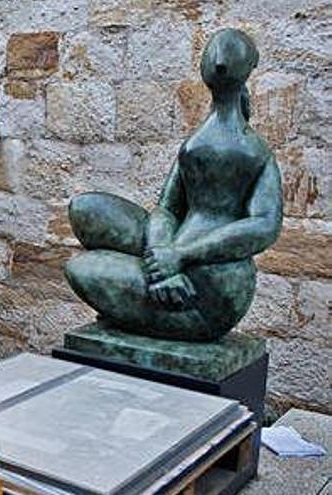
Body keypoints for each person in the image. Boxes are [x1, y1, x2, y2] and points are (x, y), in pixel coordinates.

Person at [64, 28, 283, 342]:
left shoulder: (255, 153)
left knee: (81, 268)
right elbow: (167, 208)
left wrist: (182, 256)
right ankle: (154, 277)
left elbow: (264, 225)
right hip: (174, 254)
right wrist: (162, 257)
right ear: (250, 68)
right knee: (86, 209)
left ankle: (151, 287)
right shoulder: (196, 146)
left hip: (207, 294)